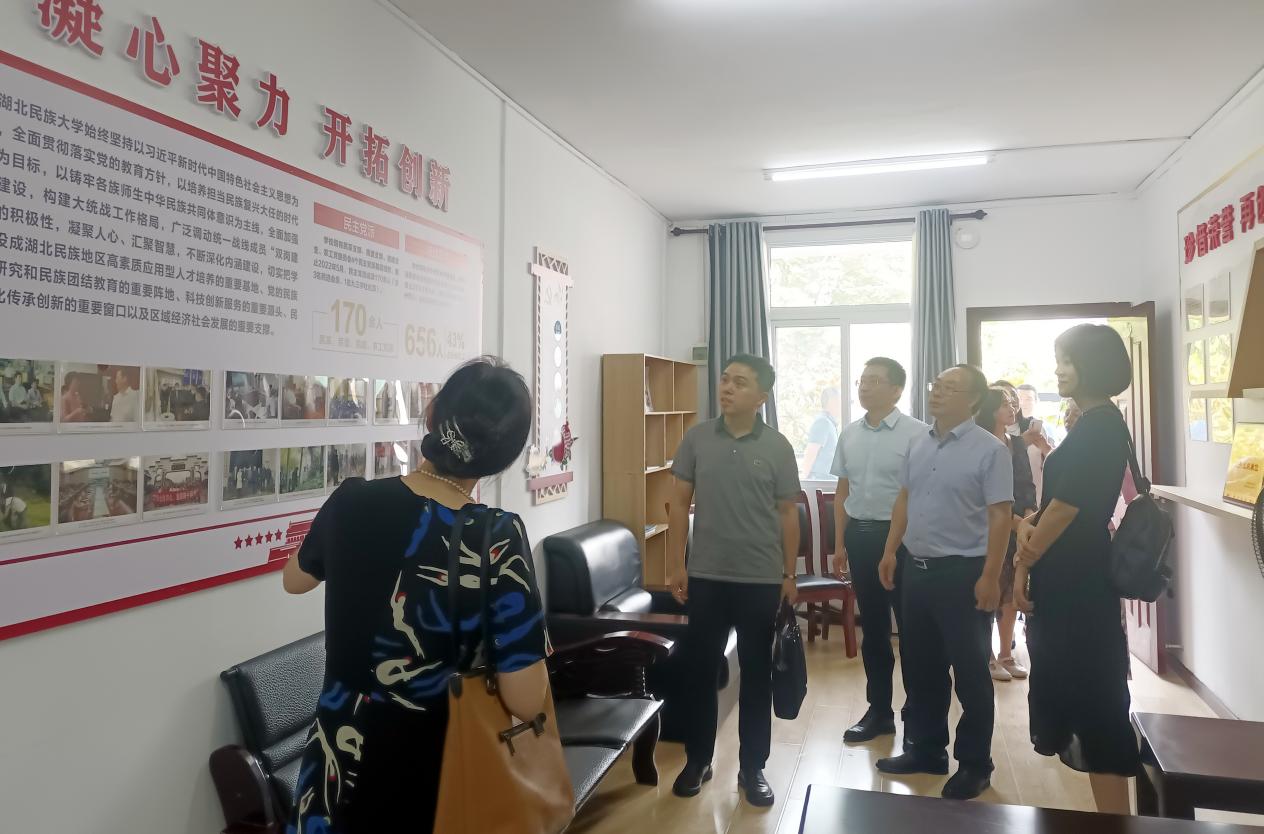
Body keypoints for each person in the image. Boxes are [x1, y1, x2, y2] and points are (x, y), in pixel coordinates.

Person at [282, 357, 543, 834]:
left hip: (337, 766)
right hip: (434, 775)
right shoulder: (495, 537)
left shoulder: (353, 499)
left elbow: (294, 580)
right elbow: (526, 700)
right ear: (504, 457)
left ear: (432, 413)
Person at [1014, 324, 1139, 815]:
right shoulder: (1092, 422)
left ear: (1093, 365)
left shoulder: (1101, 425)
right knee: (1085, 694)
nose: (1058, 369)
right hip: (1069, 575)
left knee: (1096, 701)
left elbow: (1066, 510)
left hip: (1077, 581)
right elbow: (1056, 507)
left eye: (1067, 360)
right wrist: (1029, 531)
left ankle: (1116, 820)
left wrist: (1024, 560)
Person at [667, 354, 801, 807]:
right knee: (699, 671)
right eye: (725, 379)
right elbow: (677, 505)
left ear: (762, 396)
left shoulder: (778, 446)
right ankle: (698, 759)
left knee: (757, 674)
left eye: (739, 382)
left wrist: (789, 574)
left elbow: (788, 514)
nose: (726, 387)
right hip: (706, 575)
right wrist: (677, 564)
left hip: (760, 578)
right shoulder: (698, 438)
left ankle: (752, 767)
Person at [874, 364, 1013, 800]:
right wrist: (890, 550)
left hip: (964, 573)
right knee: (920, 667)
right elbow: (905, 498)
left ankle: (975, 764)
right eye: (936, 385)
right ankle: (926, 750)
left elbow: (1000, 515)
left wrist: (991, 575)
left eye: (949, 388)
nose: (937, 392)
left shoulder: (990, 450)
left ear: (973, 400)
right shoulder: (918, 442)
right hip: (916, 569)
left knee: (970, 672)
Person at [830, 358, 927, 744]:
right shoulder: (849, 434)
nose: (864, 387)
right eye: (862, 380)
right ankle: (879, 712)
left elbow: (923, 492)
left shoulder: (918, 433)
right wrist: (839, 543)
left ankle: (918, 715)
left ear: (897, 390)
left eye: (874, 381)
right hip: (861, 536)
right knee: (873, 629)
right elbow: (842, 490)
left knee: (912, 631)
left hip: (904, 539)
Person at [975, 387, 1038, 682]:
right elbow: (982, 497)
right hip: (988, 527)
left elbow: (1027, 485)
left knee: (1012, 592)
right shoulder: (979, 443)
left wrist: (1028, 520)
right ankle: (986, 656)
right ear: (989, 409)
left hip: (1017, 526)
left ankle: (1006, 654)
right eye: (1004, 404)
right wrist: (1017, 524)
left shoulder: (1017, 444)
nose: (1012, 408)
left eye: (1013, 403)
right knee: (990, 589)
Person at [802, 386, 842, 480]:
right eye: (839, 401)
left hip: (828, 480)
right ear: (832, 402)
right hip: (821, 481)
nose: (841, 405)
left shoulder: (830, 423)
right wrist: (804, 481)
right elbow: (811, 452)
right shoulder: (823, 422)